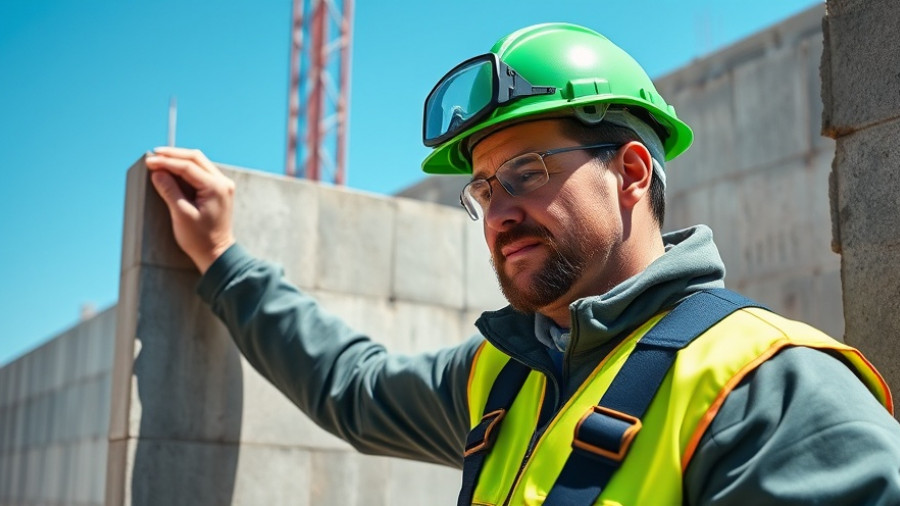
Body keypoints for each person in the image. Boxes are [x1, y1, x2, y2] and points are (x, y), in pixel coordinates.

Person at [145, 23, 900, 505]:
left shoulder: (769, 389)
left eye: (530, 170)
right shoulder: (503, 376)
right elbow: (352, 387)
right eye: (482, 186)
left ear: (633, 172)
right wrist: (221, 259)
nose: (498, 211)